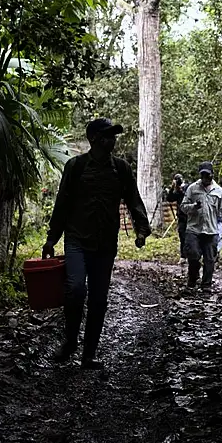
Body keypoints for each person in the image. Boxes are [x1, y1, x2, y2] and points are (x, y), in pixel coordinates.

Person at [42, 118, 150, 370]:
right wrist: (51, 239)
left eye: (113, 135)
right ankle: (70, 342)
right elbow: (62, 205)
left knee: (99, 300)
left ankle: (88, 354)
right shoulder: (76, 167)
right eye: (107, 135)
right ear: (93, 139)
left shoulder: (121, 168)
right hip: (76, 239)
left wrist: (141, 230)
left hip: (105, 244)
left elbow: (133, 199)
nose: (112, 140)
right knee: (76, 289)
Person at [181, 162, 222, 288]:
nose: (205, 178)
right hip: (194, 229)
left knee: (209, 260)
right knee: (193, 256)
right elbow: (183, 207)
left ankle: (206, 285)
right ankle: (192, 281)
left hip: (211, 230)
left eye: (207, 175)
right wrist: (194, 207)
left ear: (212, 175)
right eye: (202, 175)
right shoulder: (192, 188)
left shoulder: (219, 191)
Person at [166, 173, 188, 264]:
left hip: (190, 216)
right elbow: (170, 199)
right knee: (182, 236)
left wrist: (181, 189)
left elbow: (187, 196)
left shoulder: (187, 187)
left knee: (191, 237)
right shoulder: (177, 191)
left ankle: (192, 256)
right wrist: (172, 188)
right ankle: (183, 256)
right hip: (181, 217)